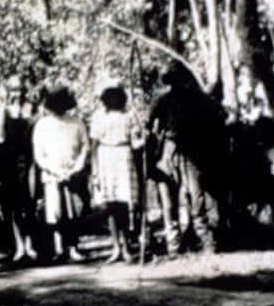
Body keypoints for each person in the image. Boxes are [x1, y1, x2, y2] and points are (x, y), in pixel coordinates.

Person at [146, 62, 226, 256]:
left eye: (178, 79)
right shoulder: (162, 100)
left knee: (195, 194)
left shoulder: (199, 99)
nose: (176, 84)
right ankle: (173, 243)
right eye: (172, 80)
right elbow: (149, 125)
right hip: (168, 150)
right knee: (169, 198)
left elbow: (220, 115)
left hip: (192, 150)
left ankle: (205, 239)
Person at [32, 86, 89, 262]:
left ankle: (73, 247)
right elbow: (39, 153)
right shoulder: (42, 125)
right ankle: (58, 248)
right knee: (54, 212)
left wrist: (76, 168)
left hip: (72, 174)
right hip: (52, 174)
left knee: (73, 212)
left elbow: (84, 146)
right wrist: (53, 169)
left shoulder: (76, 122)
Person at [89, 79, 144, 263]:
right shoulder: (99, 118)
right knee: (111, 204)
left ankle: (126, 246)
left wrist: (144, 138)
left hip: (124, 158)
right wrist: (95, 171)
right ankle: (116, 247)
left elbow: (136, 143)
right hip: (107, 159)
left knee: (124, 205)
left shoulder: (129, 117)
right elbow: (94, 146)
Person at [0, 74, 37, 262]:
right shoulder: (3, 111)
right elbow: (0, 138)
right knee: (13, 206)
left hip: (28, 160)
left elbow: (36, 133)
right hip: (9, 162)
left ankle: (30, 245)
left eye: (19, 89)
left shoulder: (30, 108)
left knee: (29, 203)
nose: (16, 93)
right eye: (13, 90)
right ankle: (19, 245)